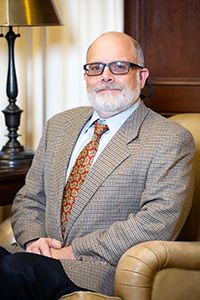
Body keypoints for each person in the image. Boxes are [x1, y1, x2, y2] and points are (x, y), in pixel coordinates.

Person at [0, 31, 195, 299]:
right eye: (95, 68)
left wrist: (72, 251)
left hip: (98, 268)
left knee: (18, 270)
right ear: (86, 77)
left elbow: (157, 221)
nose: (106, 76)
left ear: (141, 76)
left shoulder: (169, 139)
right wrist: (35, 241)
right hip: (35, 258)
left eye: (118, 66)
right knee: (16, 265)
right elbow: (30, 197)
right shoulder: (59, 125)